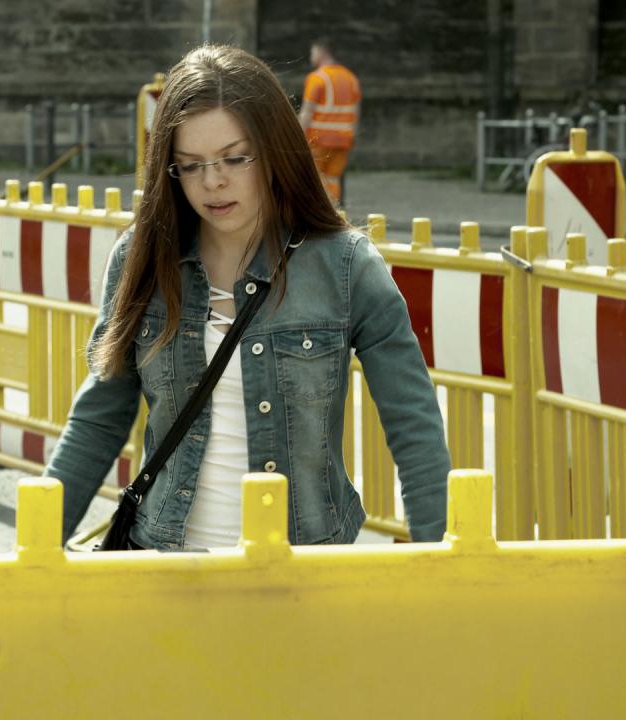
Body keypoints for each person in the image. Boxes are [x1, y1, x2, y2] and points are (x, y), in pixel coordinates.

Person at [44, 45, 449, 551]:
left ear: (275, 148)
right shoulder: (142, 259)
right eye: (190, 166)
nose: (213, 181)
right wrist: (33, 549)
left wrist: (441, 557)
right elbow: (99, 417)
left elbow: (414, 425)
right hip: (163, 568)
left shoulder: (344, 267)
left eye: (235, 158)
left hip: (301, 571)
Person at [298, 38, 361, 205]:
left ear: (321, 51)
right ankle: (335, 212)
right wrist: (351, 136)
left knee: (316, 179)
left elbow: (307, 112)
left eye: (312, 52)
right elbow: (355, 112)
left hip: (319, 139)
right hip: (343, 140)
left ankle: (321, 215)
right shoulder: (351, 78)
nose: (311, 56)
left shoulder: (317, 78)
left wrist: (297, 137)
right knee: (333, 179)